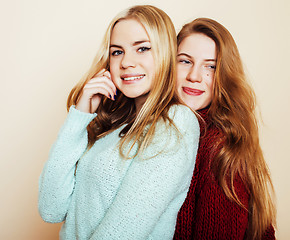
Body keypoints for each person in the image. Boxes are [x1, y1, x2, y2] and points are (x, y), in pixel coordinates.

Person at [38, 5, 200, 240]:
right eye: (117, 52)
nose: (126, 62)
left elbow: (124, 230)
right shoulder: (112, 127)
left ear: (165, 53)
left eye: (142, 48)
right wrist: (80, 116)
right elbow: (51, 209)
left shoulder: (176, 122)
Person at [173, 18, 276, 240]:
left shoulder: (218, 146)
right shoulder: (168, 130)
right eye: (185, 61)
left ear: (224, 75)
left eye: (211, 66)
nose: (194, 76)